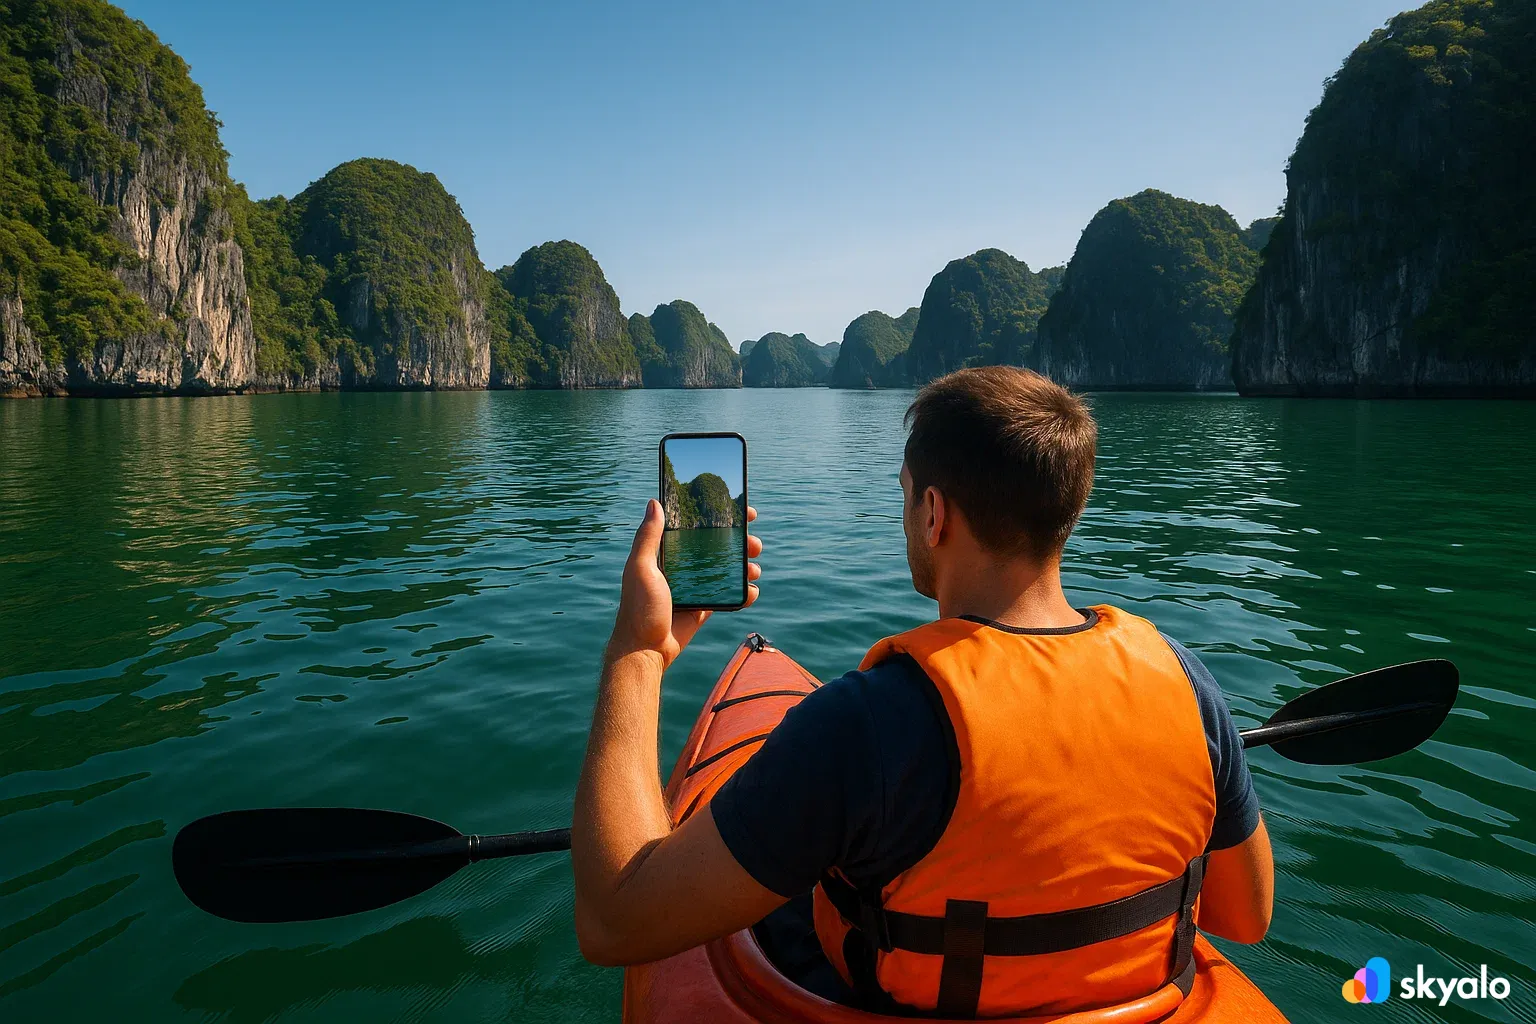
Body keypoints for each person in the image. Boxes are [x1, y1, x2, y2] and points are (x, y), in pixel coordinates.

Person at [572, 367, 1273, 1019]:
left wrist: (639, 650)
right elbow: (1247, 915)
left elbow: (613, 920)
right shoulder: (1186, 681)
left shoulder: (868, 724)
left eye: (905, 493)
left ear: (934, 512)